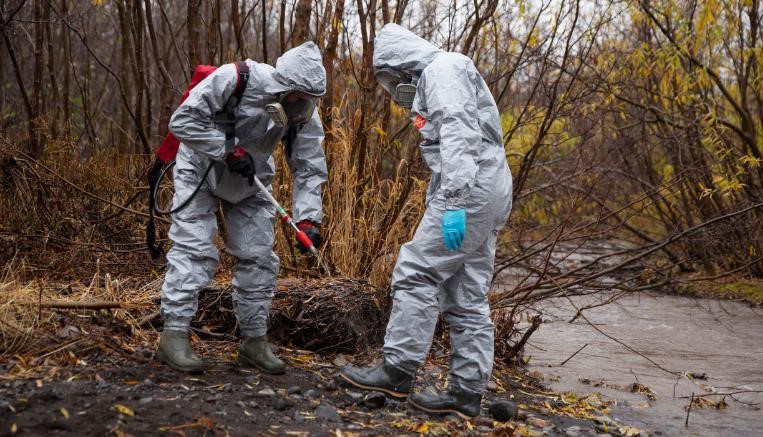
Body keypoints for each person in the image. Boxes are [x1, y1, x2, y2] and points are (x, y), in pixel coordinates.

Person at [339, 24, 513, 418]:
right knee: (465, 292)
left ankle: (397, 371)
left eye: (392, 76)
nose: (394, 85)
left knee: (416, 271)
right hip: (488, 187)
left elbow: (458, 135)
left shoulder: (441, 70)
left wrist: (453, 202)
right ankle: (466, 393)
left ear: (400, 63)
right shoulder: (446, 71)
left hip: (470, 188)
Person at [156, 42, 328, 374]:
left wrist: (309, 219)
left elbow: (309, 166)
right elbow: (182, 121)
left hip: (253, 179)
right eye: (297, 97)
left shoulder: (304, 111)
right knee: (194, 250)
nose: (302, 105)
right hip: (200, 170)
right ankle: (174, 334)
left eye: (308, 100)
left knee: (259, 257)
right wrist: (227, 150)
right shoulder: (236, 79)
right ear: (284, 86)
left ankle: (254, 342)